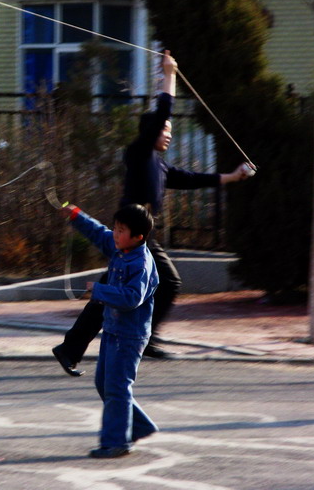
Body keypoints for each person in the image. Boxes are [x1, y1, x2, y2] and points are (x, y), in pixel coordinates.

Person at [52, 51, 252, 375]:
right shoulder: (140, 151)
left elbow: (192, 179)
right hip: (132, 230)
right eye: (165, 129)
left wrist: (231, 177)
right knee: (169, 282)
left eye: (170, 129)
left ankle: (69, 349)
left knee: (109, 291)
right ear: (151, 133)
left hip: (137, 231)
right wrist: (168, 76)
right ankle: (143, 341)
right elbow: (161, 112)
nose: (169, 133)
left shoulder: (159, 165)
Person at [60, 203, 159, 458]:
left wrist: (99, 290)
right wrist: (77, 216)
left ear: (139, 237)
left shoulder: (141, 262)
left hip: (130, 336)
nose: (114, 234)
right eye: (115, 228)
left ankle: (116, 442)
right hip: (113, 330)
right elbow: (98, 232)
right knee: (105, 384)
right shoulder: (119, 247)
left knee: (116, 387)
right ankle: (138, 426)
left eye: (121, 230)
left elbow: (131, 297)